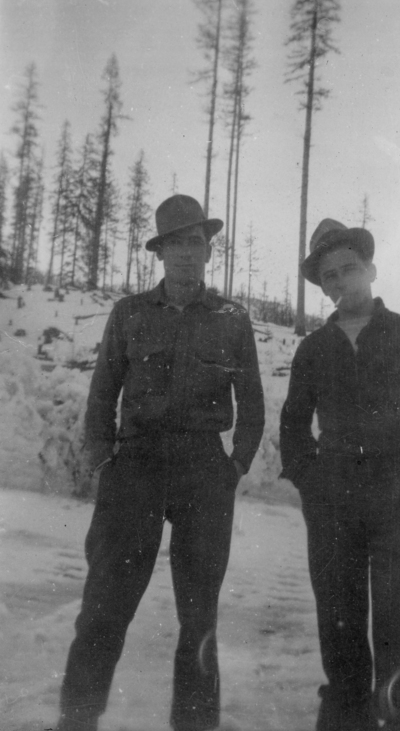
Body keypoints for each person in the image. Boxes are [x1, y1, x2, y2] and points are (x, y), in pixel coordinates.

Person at [56, 194, 265, 731]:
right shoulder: (128, 313)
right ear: (160, 252)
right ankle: (77, 719)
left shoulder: (232, 319)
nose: (186, 254)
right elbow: (102, 395)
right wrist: (104, 461)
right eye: (176, 243)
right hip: (138, 465)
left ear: (209, 250)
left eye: (196, 242)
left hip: (203, 471)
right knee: (105, 603)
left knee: (199, 617)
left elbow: (254, 406)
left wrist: (234, 466)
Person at [280, 219, 400, 731]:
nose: (342, 283)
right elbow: (293, 426)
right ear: (323, 288)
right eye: (330, 277)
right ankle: (345, 714)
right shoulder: (314, 350)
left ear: (371, 270)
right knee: (339, 616)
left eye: (349, 269)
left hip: (399, 489)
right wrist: (310, 483)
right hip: (335, 493)